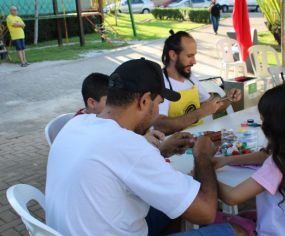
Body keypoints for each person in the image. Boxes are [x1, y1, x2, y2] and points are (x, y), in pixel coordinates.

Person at [45, 58, 244, 236]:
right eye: (158, 103)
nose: (157, 112)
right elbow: (206, 212)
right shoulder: (130, 146)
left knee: (173, 207)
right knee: (237, 232)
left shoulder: (75, 124)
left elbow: (116, 163)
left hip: (72, 229)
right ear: (144, 100)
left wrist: (161, 150)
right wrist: (202, 156)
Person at [215, 82, 285, 236]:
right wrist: (225, 161)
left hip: (274, 232)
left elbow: (232, 197)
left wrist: (205, 169)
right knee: (246, 215)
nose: (262, 125)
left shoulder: (277, 165)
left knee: (214, 219)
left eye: (263, 120)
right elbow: (265, 155)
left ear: (275, 126)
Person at [153, 31, 241, 135]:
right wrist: (201, 112)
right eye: (189, 56)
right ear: (173, 55)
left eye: (194, 56)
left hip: (199, 137)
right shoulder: (160, 83)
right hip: (177, 145)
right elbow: (160, 125)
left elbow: (212, 107)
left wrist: (228, 98)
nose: (194, 62)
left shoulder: (190, 78)